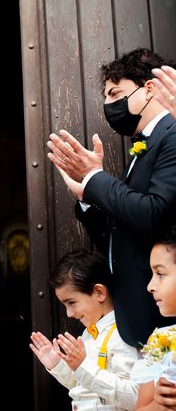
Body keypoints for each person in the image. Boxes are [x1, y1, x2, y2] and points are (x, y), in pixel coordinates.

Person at [46, 48, 176, 348]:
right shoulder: (142, 145)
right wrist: (88, 196)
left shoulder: (170, 135)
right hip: (138, 315)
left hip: (162, 315)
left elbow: (153, 214)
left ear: (149, 89)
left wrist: (96, 178)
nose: (108, 105)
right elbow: (120, 232)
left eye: (115, 93)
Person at [30, 250, 139, 410]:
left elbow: (135, 397)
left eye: (71, 303)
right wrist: (58, 365)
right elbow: (83, 387)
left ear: (99, 293)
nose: (69, 314)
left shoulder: (123, 333)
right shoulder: (87, 335)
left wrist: (82, 366)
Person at [133, 228, 176, 410]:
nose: (150, 286)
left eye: (160, 274)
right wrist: (158, 405)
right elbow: (141, 408)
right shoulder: (160, 341)